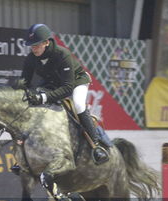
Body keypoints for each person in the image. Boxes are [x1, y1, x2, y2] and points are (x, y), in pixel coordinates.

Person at [21, 23, 109, 165]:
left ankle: (96, 146)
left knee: (79, 105)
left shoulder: (62, 54)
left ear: (46, 42)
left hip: (76, 81)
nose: (33, 48)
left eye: (36, 45)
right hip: (53, 83)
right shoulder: (31, 58)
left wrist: (43, 97)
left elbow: (67, 88)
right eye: (31, 45)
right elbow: (24, 82)